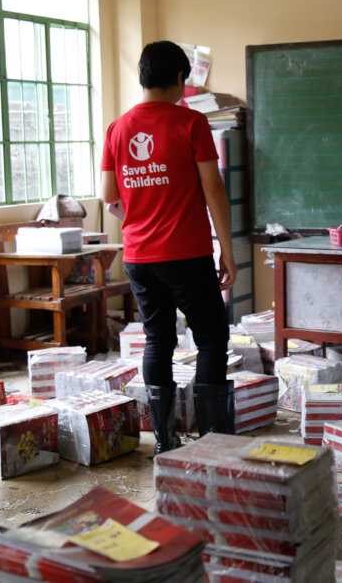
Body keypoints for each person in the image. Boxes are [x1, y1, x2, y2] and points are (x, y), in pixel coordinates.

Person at [101, 40, 238, 455]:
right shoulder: (191, 122)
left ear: (143, 76)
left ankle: (165, 442)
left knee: (158, 340)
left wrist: (143, 216)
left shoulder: (117, 128)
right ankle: (211, 442)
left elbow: (108, 197)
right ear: (180, 78)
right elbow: (213, 189)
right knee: (211, 338)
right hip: (186, 254)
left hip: (138, 257)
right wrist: (227, 250)